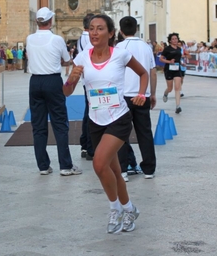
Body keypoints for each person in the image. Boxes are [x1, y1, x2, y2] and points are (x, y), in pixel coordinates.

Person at [64, 14, 148, 234]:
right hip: (95, 120)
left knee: (99, 164)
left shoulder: (121, 55)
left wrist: (141, 93)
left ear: (111, 33)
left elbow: (143, 73)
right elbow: (66, 90)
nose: (94, 33)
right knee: (114, 171)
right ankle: (130, 209)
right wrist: (71, 78)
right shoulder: (81, 57)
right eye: (91, 28)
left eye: (100, 29)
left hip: (119, 117)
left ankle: (115, 209)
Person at [26, 6, 81, 176]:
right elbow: (66, 60)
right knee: (59, 123)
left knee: (38, 125)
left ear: (37, 21)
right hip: (52, 80)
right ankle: (65, 165)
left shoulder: (29, 38)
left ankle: (43, 165)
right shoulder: (56, 39)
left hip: (35, 81)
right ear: (50, 21)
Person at [116, 16, 157, 181]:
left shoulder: (119, 46)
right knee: (145, 132)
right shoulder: (146, 47)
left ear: (120, 30)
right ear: (136, 29)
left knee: (121, 134)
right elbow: (152, 71)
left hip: (124, 95)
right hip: (142, 93)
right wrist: (152, 93)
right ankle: (149, 169)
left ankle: (123, 170)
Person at [77, 13, 95, 160]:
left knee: (87, 111)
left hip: (86, 79)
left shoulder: (81, 38)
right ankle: (90, 146)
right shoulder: (88, 39)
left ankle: (85, 143)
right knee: (91, 113)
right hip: (92, 79)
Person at [160, 32, 183, 114]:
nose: (175, 40)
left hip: (177, 69)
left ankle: (178, 106)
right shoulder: (167, 49)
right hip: (169, 70)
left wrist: (182, 63)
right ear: (170, 41)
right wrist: (169, 61)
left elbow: (178, 58)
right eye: (173, 39)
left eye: (176, 39)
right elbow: (161, 59)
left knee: (177, 87)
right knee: (170, 88)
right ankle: (166, 93)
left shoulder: (179, 49)